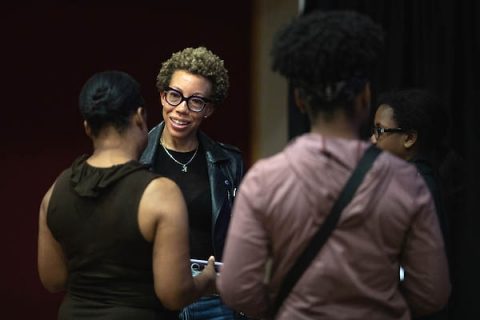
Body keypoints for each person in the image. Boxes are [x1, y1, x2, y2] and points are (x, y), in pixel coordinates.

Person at [217, 10, 450, 320]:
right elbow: (432, 293)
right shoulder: (407, 182)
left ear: (299, 99)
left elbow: (236, 288)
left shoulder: (265, 180)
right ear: (365, 97)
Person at [37, 70, 217, 319]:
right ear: (140, 117)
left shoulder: (55, 191)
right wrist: (207, 279)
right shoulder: (160, 194)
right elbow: (173, 295)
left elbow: (53, 279)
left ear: (88, 127)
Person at [139, 47, 245, 319]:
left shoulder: (229, 162)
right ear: (162, 95)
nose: (182, 109)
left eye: (196, 101)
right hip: (150, 293)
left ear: (208, 108)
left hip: (212, 299)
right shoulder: (135, 155)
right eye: (174, 96)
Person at [371, 88, 464, 320]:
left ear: (409, 138)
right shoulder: (424, 178)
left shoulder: (409, 187)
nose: (372, 139)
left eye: (379, 131)